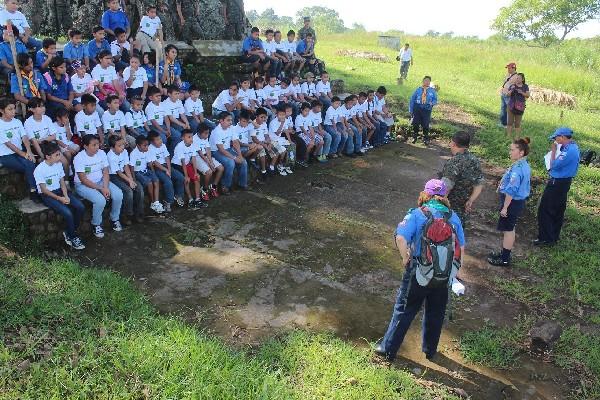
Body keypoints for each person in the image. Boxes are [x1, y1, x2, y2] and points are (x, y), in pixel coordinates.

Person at [375, 179, 465, 362]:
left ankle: (388, 348)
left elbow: (401, 238)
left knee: (405, 309)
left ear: (426, 194)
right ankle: (430, 350)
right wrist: (454, 272)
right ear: (444, 196)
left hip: (419, 271)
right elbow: (461, 248)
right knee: (436, 312)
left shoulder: (417, 214)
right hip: (443, 274)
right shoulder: (453, 217)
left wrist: (405, 258)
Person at [488, 138, 531, 267]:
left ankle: (505, 259)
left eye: (512, 150)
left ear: (521, 152)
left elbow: (511, 190)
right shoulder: (523, 164)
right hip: (517, 202)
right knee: (510, 228)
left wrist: (505, 207)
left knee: (508, 230)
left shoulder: (518, 169)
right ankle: (504, 253)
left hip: (512, 203)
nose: (510, 152)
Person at [34, 141, 86, 250]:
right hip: (48, 195)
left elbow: (62, 182)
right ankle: (72, 237)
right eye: (57, 155)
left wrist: (66, 195)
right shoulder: (39, 169)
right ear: (48, 156)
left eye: (59, 154)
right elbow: (44, 190)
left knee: (80, 207)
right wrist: (59, 198)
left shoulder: (58, 165)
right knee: (68, 213)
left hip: (61, 191)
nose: (59, 157)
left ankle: (70, 231)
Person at [535, 127, 580, 246]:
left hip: (557, 183)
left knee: (545, 210)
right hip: (563, 183)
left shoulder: (568, 151)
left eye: (556, 138)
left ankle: (546, 239)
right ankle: (553, 237)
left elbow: (553, 165)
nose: (555, 140)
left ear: (563, 137)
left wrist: (554, 151)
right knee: (557, 210)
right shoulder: (572, 147)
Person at [73, 134, 124, 238]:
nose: (97, 147)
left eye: (98, 144)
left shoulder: (101, 153)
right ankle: (96, 224)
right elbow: (83, 179)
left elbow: (105, 172)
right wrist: (101, 189)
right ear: (86, 146)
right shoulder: (79, 158)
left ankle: (115, 219)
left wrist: (105, 187)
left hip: (101, 181)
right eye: (94, 145)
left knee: (118, 194)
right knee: (100, 200)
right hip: (82, 185)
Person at [440, 132, 485, 223]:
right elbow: (479, 183)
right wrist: (471, 200)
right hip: (463, 209)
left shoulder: (453, 163)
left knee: (446, 234)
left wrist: (439, 206)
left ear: (453, 143)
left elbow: (446, 188)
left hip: (450, 209)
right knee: (459, 232)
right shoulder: (475, 160)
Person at [0, 97, 37, 202]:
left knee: (30, 164)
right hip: (5, 155)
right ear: (2, 110)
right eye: (10, 109)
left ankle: (33, 190)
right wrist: (25, 155)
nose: (13, 112)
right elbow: (9, 144)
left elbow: (24, 137)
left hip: (18, 153)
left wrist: (29, 152)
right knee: (29, 165)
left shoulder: (17, 122)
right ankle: (35, 191)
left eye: (14, 109)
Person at [107, 135, 144, 224]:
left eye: (122, 145)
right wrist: (129, 181)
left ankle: (138, 213)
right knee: (128, 191)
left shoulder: (124, 152)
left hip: (124, 174)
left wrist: (131, 180)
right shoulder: (110, 156)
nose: (122, 147)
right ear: (112, 148)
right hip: (114, 176)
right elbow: (118, 172)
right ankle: (127, 215)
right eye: (119, 146)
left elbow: (126, 166)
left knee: (139, 188)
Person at [210, 111, 248, 194]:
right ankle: (225, 186)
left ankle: (242, 184)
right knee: (231, 163)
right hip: (216, 151)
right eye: (228, 120)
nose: (230, 122)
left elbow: (235, 142)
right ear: (221, 121)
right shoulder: (216, 132)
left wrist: (240, 155)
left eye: (231, 120)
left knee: (243, 162)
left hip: (228, 149)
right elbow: (221, 149)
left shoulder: (231, 128)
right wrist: (234, 158)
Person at [147, 131, 185, 211]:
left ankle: (178, 196)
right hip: (158, 168)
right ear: (152, 142)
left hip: (166, 166)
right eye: (157, 139)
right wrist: (165, 170)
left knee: (180, 177)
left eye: (160, 138)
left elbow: (167, 157)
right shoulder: (150, 149)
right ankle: (168, 201)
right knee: (168, 182)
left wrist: (169, 169)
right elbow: (155, 162)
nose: (160, 140)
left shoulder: (163, 145)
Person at [129, 135, 164, 214]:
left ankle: (156, 202)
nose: (147, 147)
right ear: (138, 146)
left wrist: (153, 173)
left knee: (156, 180)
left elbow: (149, 163)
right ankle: (152, 202)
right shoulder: (133, 154)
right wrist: (133, 179)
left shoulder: (147, 151)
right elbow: (131, 167)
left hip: (146, 170)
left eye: (147, 145)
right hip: (137, 172)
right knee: (149, 183)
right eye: (144, 146)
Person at [172, 129, 204, 209]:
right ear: (183, 138)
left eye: (192, 137)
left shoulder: (192, 145)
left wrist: (196, 172)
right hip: (177, 165)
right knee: (187, 180)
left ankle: (197, 199)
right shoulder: (180, 146)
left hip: (187, 164)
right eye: (189, 137)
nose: (191, 139)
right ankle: (190, 200)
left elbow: (193, 159)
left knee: (197, 177)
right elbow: (182, 162)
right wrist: (186, 176)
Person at [192, 124, 224, 200]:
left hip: (206, 156)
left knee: (221, 168)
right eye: (206, 133)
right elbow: (200, 154)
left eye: (208, 133)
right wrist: (209, 164)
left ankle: (213, 186)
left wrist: (211, 161)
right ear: (199, 133)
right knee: (209, 172)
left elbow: (208, 149)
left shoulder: (205, 137)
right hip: (197, 157)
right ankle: (204, 189)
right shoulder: (194, 139)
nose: (207, 135)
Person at [409, 76, 438, 145]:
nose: (426, 82)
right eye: (425, 80)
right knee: (415, 123)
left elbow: (435, 100)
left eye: (428, 81)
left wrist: (432, 103)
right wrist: (411, 109)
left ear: (430, 82)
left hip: (427, 109)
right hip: (417, 108)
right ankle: (415, 137)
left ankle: (425, 138)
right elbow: (412, 99)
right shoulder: (418, 89)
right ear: (423, 81)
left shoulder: (432, 91)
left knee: (425, 124)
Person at [506, 72, 529, 137]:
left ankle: (517, 137)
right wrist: (511, 90)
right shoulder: (513, 85)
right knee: (510, 122)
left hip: (520, 107)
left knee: (517, 123)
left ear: (522, 79)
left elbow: (528, 95)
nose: (517, 79)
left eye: (519, 78)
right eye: (517, 78)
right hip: (511, 106)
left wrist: (521, 92)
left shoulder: (525, 86)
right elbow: (507, 94)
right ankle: (508, 136)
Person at [499, 62, 518, 128]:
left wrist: (510, 92)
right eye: (507, 68)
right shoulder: (508, 75)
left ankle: (510, 124)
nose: (508, 69)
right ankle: (503, 123)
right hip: (503, 94)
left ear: (514, 68)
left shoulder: (516, 77)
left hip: (510, 96)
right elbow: (505, 82)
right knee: (503, 109)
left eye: (509, 68)